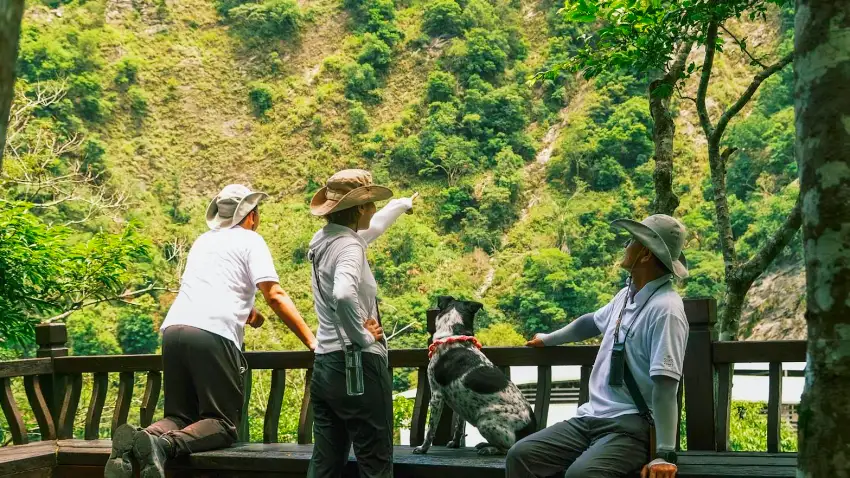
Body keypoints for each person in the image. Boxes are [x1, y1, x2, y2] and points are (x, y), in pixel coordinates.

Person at [105, 184, 317, 478]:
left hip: (175, 329)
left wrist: (250, 315)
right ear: (251, 216)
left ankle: (136, 443)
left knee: (178, 416)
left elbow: (213, 290)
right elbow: (275, 295)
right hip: (212, 334)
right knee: (222, 424)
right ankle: (163, 447)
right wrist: (312, 341)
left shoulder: (204, 241)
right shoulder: (251, 241)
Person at [507, 214, 689, 478]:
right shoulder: (627, 295)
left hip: (631, 426)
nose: (625, 246)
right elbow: (591, 322)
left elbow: (665, 386)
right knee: (521, 456)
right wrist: (548, 339)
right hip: (590, 417)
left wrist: (664, 453)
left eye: (631, 241)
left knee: (582, 475)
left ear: (646, 255)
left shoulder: (666, 310)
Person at [306, 169, 416, 478]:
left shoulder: (324, 240)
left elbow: (373, 228)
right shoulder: (350, 247)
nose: (373, 209)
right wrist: (363, 337)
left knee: (325, 464)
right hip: (358, 367)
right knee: (375, 464)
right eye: (370, 204)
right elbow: (343, 294)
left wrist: (401, 204)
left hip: (325, 366)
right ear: (358, 209)